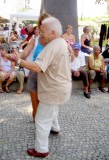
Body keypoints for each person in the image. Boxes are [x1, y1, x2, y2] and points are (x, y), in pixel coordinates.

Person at [7, 16, 72, 158]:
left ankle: (41, 150)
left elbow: (36, 67)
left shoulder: (53, 46)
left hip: (53, 89)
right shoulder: (62, 42)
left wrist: (19, 60)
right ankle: (55, 128)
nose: (41, 33)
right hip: (62, 88)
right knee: (52, 108)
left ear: (53, 32)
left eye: (43, 31)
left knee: (41, 119)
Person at [19, 12, 51, 121]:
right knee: (35, 105)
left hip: (48, 75)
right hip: (34, 72)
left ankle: (47, 123)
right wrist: (16, 56)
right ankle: (36, 120)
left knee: (46, 104)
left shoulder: (54, 40)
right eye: (41, 24)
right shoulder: (35, 40)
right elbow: (24, 53)